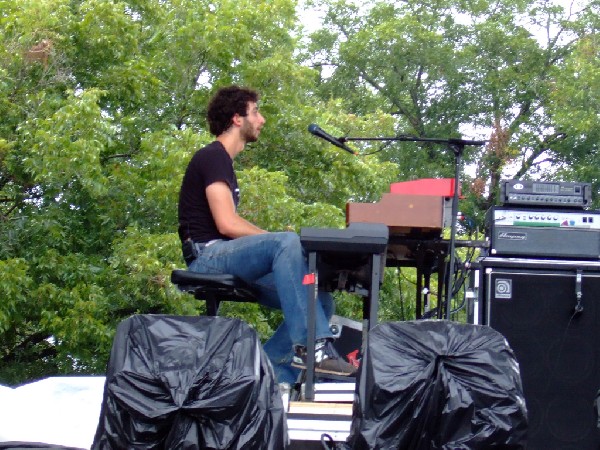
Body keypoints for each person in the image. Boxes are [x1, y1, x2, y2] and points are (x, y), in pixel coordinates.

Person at [177, 85, 356, 383]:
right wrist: (277, 242)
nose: (261, 120)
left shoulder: (224, 163)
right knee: (285, 242)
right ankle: (314, 349)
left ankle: (266, 373)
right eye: (256, 112)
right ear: (237, 118)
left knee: (321, 301)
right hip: (206, 257)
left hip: (223, 255)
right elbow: (227, 224)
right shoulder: (212, 156)